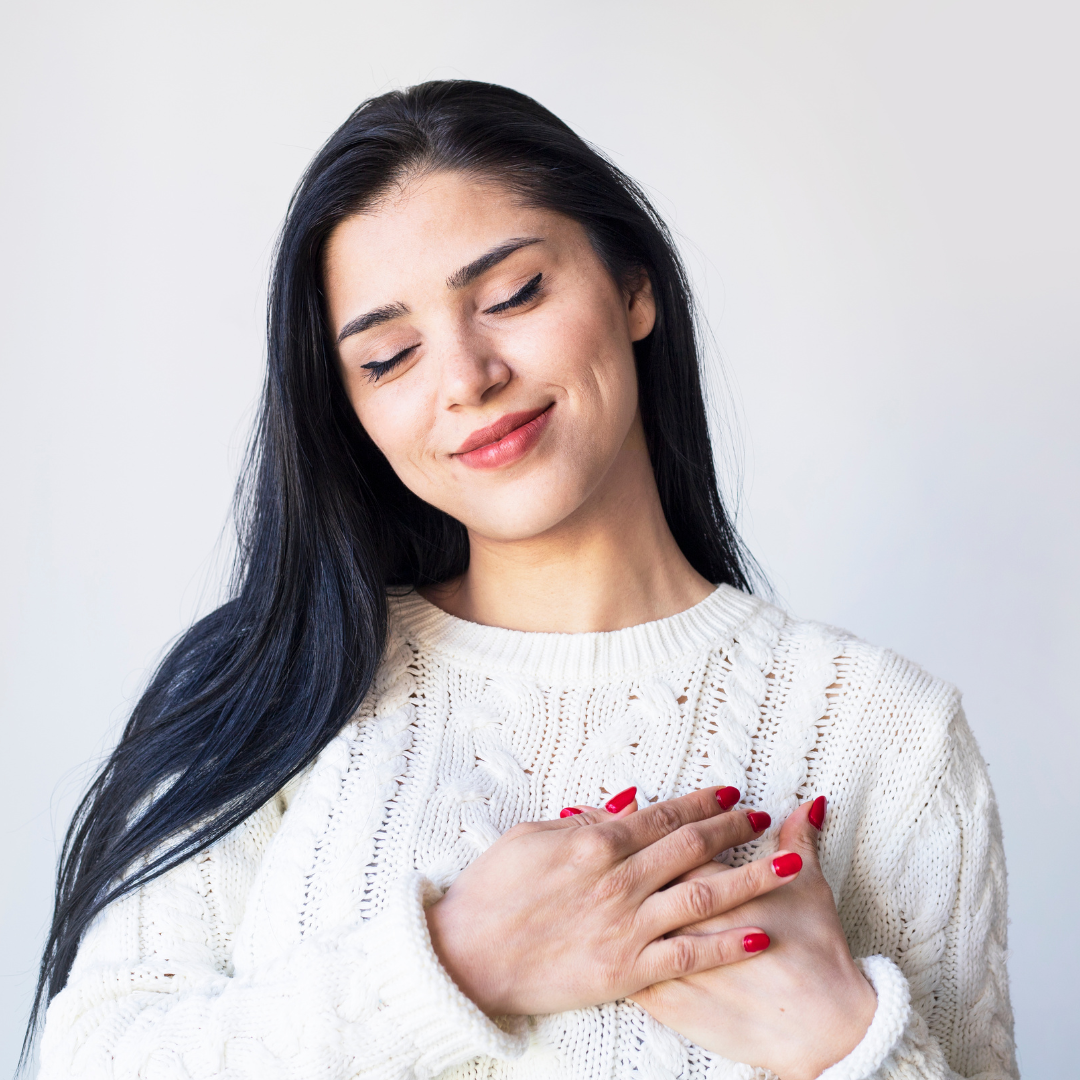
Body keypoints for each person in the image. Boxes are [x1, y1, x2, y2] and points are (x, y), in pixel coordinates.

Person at [28, 81, 1015, 1080]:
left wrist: (843, 1041)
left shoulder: (888, 735)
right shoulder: (272, 686)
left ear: (634, 289)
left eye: (513, 295)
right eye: (390, 355)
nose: (464, 377)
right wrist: (460, 963)